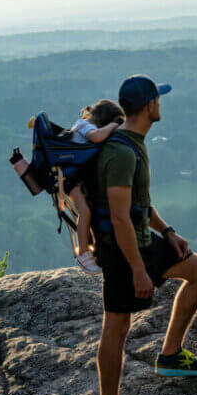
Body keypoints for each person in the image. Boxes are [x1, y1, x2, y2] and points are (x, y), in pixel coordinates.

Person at [93, 74, 197, 395]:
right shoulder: (119, 152)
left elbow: (140, 205)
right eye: (157, 100)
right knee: (116, 327)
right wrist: (137, 271)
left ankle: (171, 354)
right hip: (122, 252)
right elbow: (118, 216)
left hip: (144, 240)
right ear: (149, 106)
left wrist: (169, 232)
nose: (160, 105)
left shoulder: (133, 144)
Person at [69, 99, 125, 274]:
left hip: (75, 178)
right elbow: (97, 137)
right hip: (70, 180)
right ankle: (83, 253)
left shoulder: (85, 125)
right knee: (84, 212)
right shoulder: (83, 124)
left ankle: (92, 249)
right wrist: (113, 126)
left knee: (89, 211)